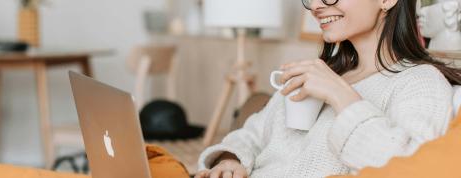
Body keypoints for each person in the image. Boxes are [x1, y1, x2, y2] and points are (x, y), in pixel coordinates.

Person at [195, 0, 461, 178]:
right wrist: (230, 161)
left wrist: (340, 95)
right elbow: (251, 134)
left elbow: (406, 167)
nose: (316, 6)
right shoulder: (321, 71)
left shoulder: (419, 82)